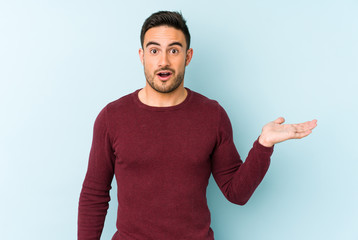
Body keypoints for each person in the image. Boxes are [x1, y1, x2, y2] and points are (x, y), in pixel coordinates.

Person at [78, 11, 317, 240]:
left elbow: (237, 193)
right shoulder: (112, 117)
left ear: (188, 56)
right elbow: (94, 194)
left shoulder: (212, 115)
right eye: (154, 50)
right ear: (142, 56)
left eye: (174, 50)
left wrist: (263, 145)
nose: (163, 61)